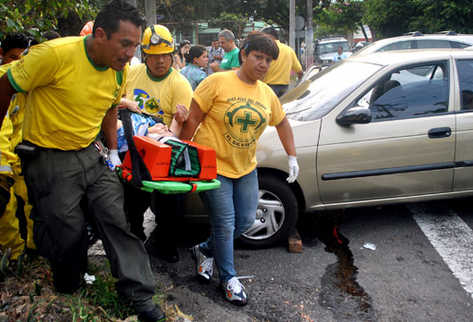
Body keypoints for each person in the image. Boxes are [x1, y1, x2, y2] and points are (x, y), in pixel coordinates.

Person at [0, 1, 165, 321]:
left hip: (91, 153)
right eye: (126, 44)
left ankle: (139, 294)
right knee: (67, 229)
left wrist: (113, 152)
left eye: (135, 46)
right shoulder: (53, 56)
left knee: (116, 219)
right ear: (100, 35)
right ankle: (68, 278)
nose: (131, 53)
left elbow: (110, 108)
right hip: (48, 155)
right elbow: (6, 86)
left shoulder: (118, 71)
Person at [179, 32, 299, 306]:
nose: (263, 64)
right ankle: (229, 279)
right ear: (244, 55)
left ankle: (204, 250)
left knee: (245, 221)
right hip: (214, 166)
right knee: (225, 223)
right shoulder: (217, 82)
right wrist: (182, 153)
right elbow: (193, 119)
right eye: (258, 57)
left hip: (245, 168)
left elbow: (282, 123)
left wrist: (292, 156)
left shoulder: (266, 93)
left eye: (268, 60)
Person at [122, 24, 192, 263]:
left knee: (169, 203)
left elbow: (178, 129)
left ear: (172, 56)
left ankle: (165, 242)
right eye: (154, 56)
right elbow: (116, 99)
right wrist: (130, 106)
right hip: (133, 147)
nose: (161, 61)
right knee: (132, 198)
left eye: (165, 55)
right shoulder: (132, 74)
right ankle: (135, 235)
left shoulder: (180, 84)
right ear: (145, 56)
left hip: (164, 149)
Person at [261, 27, 303, 98]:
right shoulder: (289, 50)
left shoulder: (265, 49)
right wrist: (299, 85)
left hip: (267, 88)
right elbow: (300, 72)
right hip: (285, 89)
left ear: (269, 36)